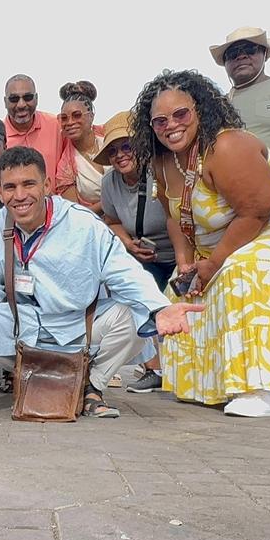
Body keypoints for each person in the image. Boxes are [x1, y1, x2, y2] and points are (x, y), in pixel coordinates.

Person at [0, 146, 201, 413]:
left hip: (80, 324)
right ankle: (40, 379)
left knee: (134, 318)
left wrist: (159, 308)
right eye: (10, 187)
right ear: (0, 192)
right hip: (27, 322)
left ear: (46, 185)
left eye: (29, 184)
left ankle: (92, 384)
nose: (19, 196)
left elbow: (124, 270)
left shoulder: (83, 223)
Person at [128, 70, 270, 418]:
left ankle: (260, 389)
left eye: (181, 114)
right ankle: (208, 385)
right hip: (228, 232)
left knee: (243, 270)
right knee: (181, 291)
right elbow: (174, 217)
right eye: (159, 121)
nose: (171, 126)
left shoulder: (228, 146)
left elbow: (257, 210)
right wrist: (186, 263)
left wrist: (214, 262)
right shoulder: (162, 160)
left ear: (201, 110)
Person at [96, 112, 176, 388]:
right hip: (142, 254)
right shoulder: (109, 183)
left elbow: (176, 216)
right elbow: (112, 220)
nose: (120, 155)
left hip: (178, 249)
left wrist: (183, 259)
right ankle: (154, 370)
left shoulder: (161, 170)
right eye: (113, 151)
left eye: (126, 146)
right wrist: (128, 245)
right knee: (133, 297)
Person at [209, 25, 270, 173]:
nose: (241, 56)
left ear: (265, 54)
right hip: (247, 186)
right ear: (225, 63)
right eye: (232, 53)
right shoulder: (219, 106)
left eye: (250, 49)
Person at [2, 75, 68, 185]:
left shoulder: (56, 125)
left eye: (27, 97)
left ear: (36, 99)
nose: (21, 104)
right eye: (14, 99)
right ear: (5, 102)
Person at [55, 82, 105, 209]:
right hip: (96, 220)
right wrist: (108, 203)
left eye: (76, 115)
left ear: (91, 116)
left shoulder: (109, 135)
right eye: (64, 118)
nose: (70, 122)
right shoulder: (65, 168)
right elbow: (75, 213)